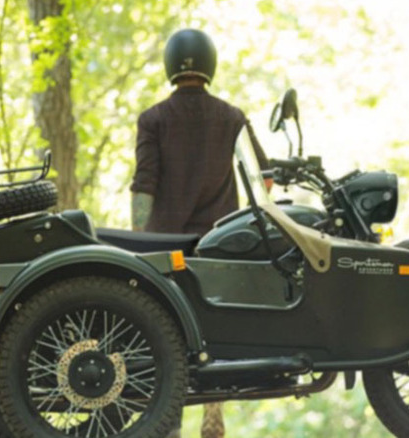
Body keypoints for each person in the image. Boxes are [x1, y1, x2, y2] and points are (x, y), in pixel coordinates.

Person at [130, 28, 271, 438]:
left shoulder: (152, 119)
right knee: (212, 330)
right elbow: (263, 178)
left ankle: (168, 424)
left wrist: (138, 238)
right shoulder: (231, 117)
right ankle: (213, 409)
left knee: (164, 332)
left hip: (163, 247)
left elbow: (144, 185)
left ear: (170, 66)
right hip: (218, 245)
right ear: (210, 65)